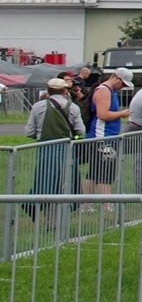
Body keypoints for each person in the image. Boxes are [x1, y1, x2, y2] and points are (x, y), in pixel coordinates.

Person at [25, 78, 84, 221]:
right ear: (65, 91)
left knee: (45, 181)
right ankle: (58, 219)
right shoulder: (73, 107)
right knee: (66, 182)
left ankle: (39, 210)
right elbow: (81, 130)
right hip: (66, 149)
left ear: (48, 90)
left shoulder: (38, 106)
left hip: (45, 148)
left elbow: (29, 131)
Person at [86, 68, 130, 201]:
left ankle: (86, 204)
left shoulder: (111, 91)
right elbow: (103, 114)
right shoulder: (104, 91)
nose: (122, 87)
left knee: (94, 173)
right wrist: (122, 114)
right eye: (122, 84)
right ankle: (106, 204)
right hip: (102, 138)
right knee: (105, 173)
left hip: (106, 137)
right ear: (116, 78)